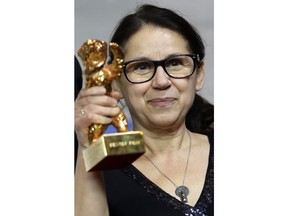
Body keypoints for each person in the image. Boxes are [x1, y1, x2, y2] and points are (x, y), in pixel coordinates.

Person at [75, 4, 214, 216]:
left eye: (176, 63)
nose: (161, 81)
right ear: (116, 82)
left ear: (199, 74)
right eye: (142, 67)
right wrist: (87, 144)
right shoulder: (101, 170)